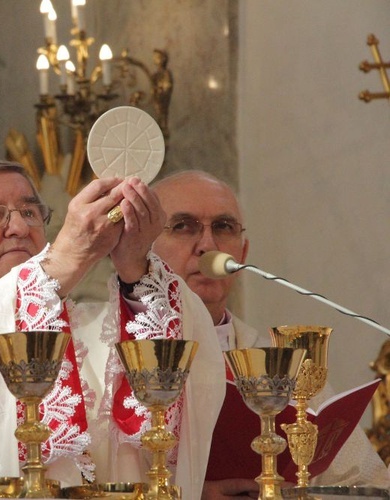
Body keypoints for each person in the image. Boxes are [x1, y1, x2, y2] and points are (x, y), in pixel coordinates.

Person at [0, 160, 225, 498]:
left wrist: (136, 267)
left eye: (31, 212)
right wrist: (66, 260)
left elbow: (188, 349)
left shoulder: (97, 326)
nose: (18, 228)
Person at [151, 170, 390, 497]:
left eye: (223, 227)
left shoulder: (284, 366)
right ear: (143, 251)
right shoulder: (103, 358)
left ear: (243, 253)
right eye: (182, 226)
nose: (207, 244)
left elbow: (370, 485)